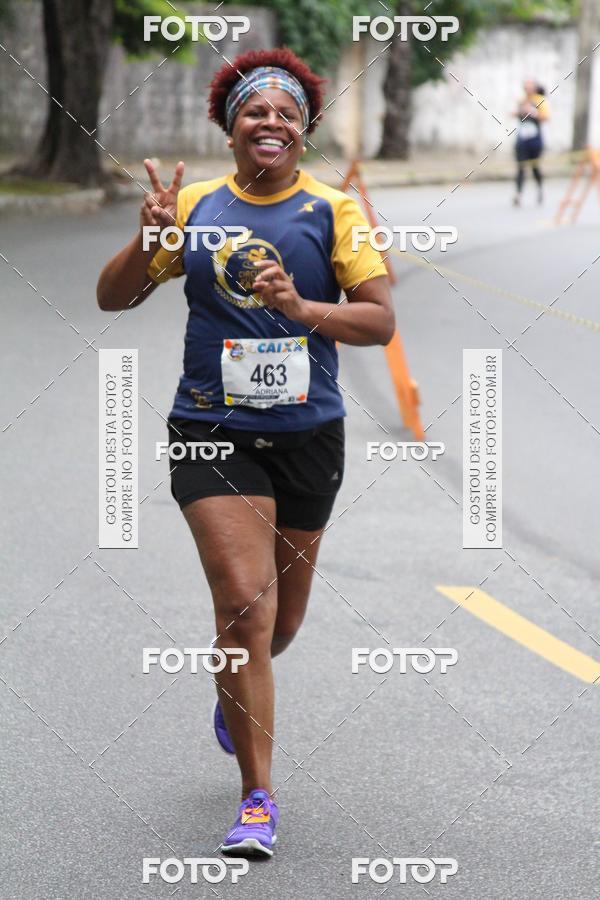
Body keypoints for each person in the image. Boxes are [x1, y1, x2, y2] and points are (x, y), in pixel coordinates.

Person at [96, 47, 394, 857]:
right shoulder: (191, 204)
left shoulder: (334, 212)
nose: (271, 121)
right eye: (255, 110)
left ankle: (235, 684)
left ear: (304, 131)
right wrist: (146, 238)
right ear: (231, 129)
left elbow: (379, 321)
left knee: (279, 624)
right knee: (242, 605)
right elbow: (113, 296)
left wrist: (304, 307)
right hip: (209, 428)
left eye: (287, 112)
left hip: (308, 435)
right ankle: (257, 799)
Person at [513, 79, 549, 206]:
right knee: (520, 166)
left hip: (535, 138)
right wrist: (519, 112)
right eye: (525, 87)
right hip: (522, 137)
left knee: (535, 166)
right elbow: (515, 114)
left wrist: (533, 112)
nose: (527, 89)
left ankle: (540, 189)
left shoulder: (539, 100)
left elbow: (546, 117)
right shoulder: (521, 100)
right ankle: (518, 194)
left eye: (529, 87)